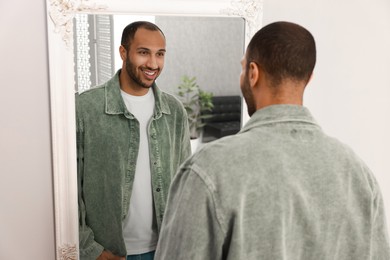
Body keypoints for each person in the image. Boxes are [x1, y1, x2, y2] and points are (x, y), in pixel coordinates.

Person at [154, 21, 390, 259]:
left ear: (253, 73)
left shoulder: (208, 170)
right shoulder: (359, 175)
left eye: (243, 67)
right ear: (309, 78)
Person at [76, 21, 191, 260]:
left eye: (160, 54)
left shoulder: (174, 111)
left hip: (164, 248)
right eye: (143, 52)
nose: (152, 63)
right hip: (109, 251)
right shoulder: (86, 108)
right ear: (123, 52)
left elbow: (185, 184)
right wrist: (92, 250)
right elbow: (70, 190)